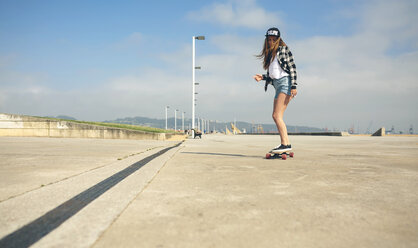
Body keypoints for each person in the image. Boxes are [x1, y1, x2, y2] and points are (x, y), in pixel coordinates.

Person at [253, 27, 298, 153]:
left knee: (276, 115)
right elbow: (274, 76)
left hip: (286, 84)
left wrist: (294, 86)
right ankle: (287, 143)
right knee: (277, 116)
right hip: (277, 85)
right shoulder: (271, 55)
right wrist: (262, 77)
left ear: (278, 39)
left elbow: (292, 68)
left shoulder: (284, 50)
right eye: (269, 39)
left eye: (274, 39)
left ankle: (285, 144)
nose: (271, 42)